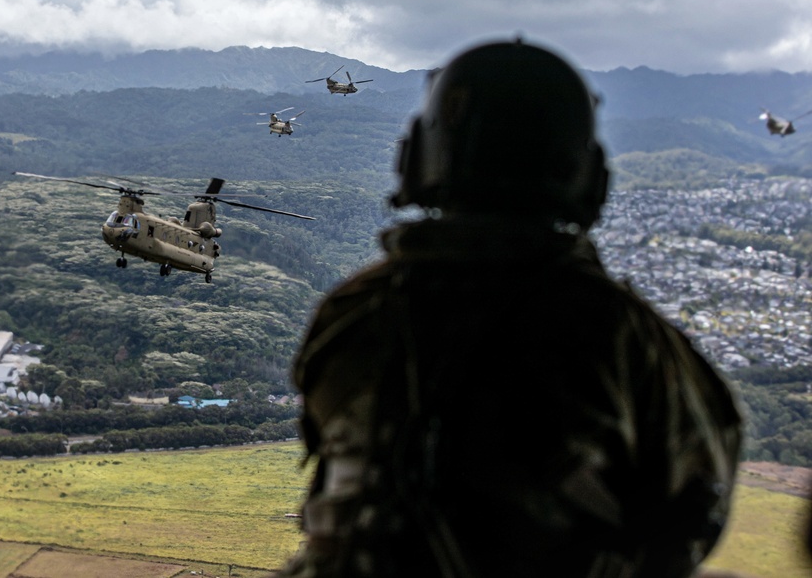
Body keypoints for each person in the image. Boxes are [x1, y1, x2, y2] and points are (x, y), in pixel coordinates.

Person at [274, 38, 743, 577]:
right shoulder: (623, 335)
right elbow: (694, 513)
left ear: (419, 159)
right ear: (586, 174)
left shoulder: (354, 311)